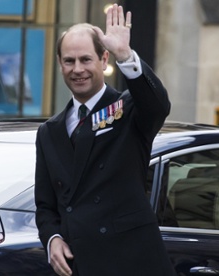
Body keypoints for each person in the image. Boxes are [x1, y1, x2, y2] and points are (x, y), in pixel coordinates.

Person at [34, 3, 175, 276]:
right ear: (60, 64)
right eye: (69, 61)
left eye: (86, 59)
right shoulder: (49, 131)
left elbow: (158, 106)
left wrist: (127, 55)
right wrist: (52, 239)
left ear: (104, 60)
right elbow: (45, 206)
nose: (78, 69)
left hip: (131, 261)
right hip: (78, 264)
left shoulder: (129, 110)